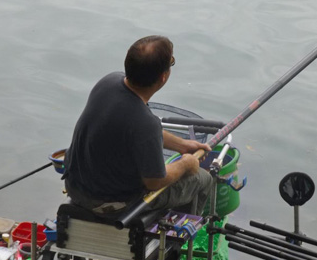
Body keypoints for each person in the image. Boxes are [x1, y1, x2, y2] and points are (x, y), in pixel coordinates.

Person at [63, 35, 212, 216]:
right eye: (171, 62)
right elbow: (154, 181)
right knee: (203, 179)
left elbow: (139, 131)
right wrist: (185, 164)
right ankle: (179, 238)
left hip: (75, 187)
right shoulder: (144, 122)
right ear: (163, 77)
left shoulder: (108, 83)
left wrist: (182, 145)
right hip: (112, 203)